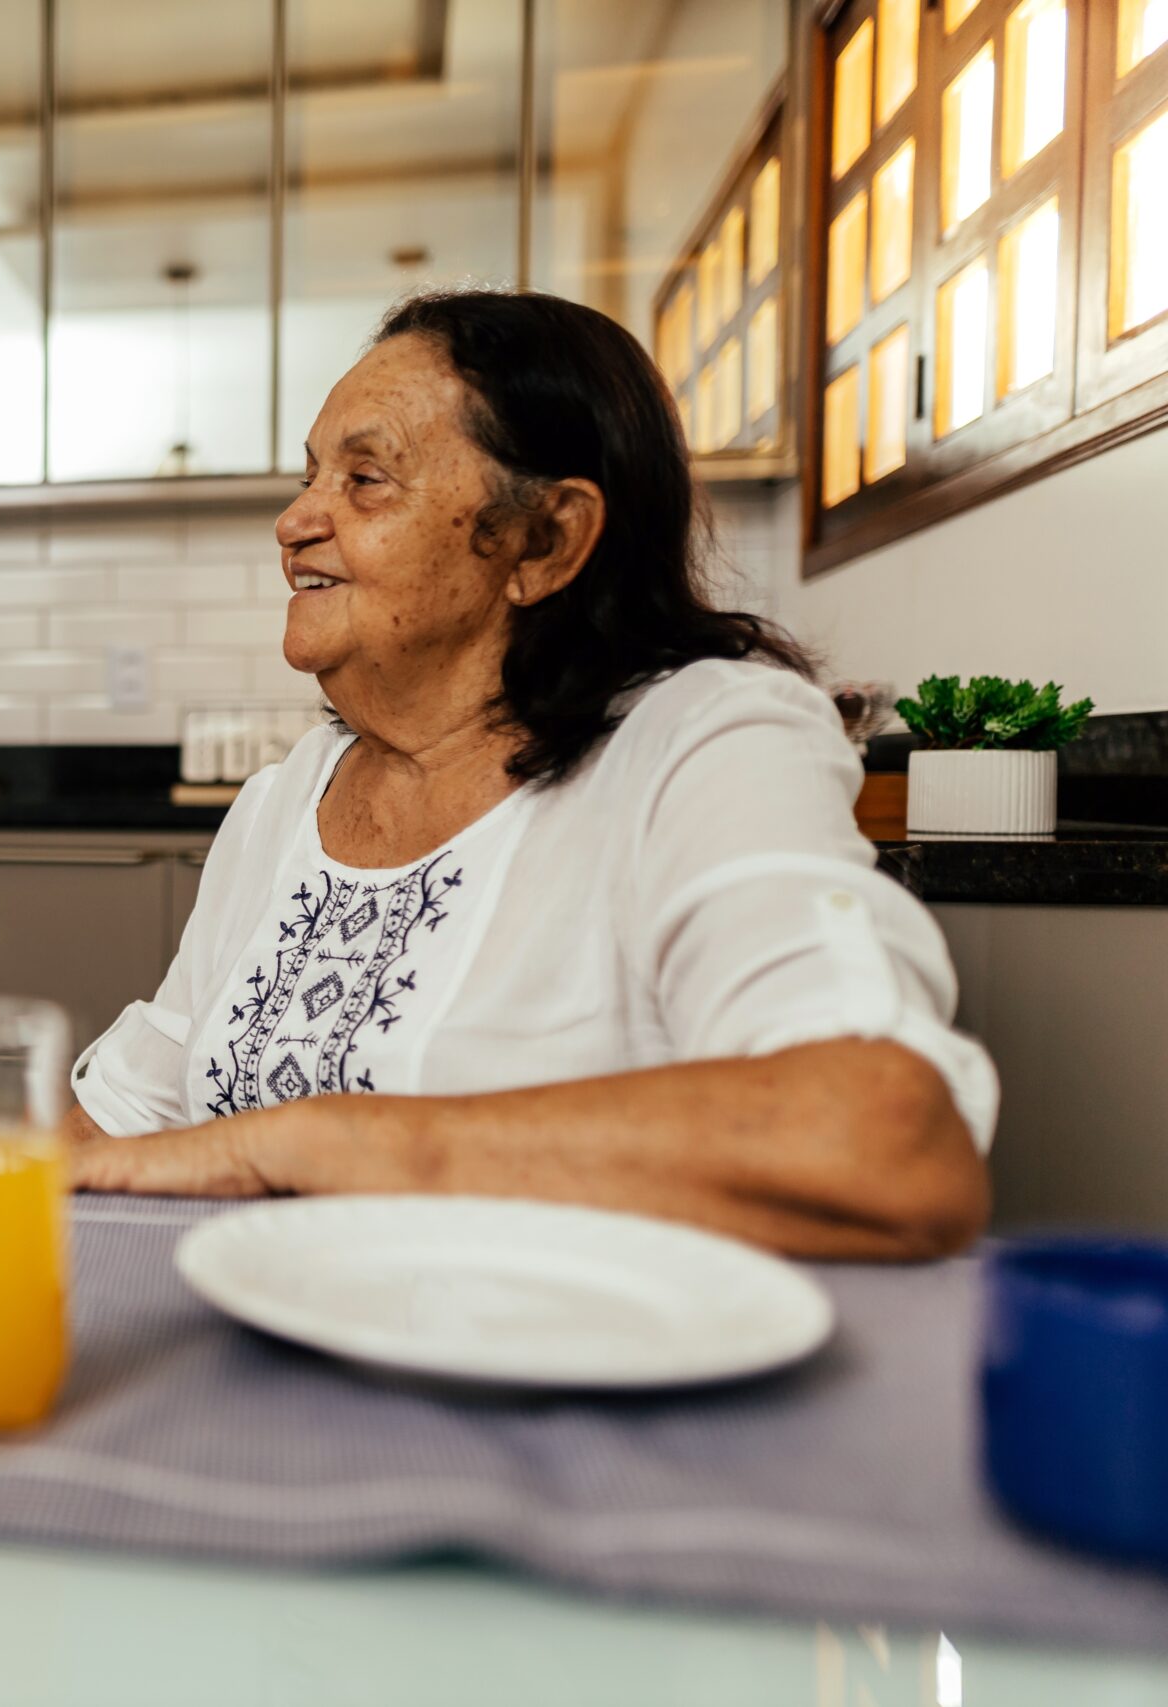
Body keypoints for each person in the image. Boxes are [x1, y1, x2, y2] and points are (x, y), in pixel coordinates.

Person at [69, 290, 996, 1260]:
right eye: (311, 477)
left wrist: (309, 1145)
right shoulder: (283, 803)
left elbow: (879, 1137)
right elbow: (122, 1120)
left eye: (366, 479)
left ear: (544, 541)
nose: (294, 520)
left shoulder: (701, 745)